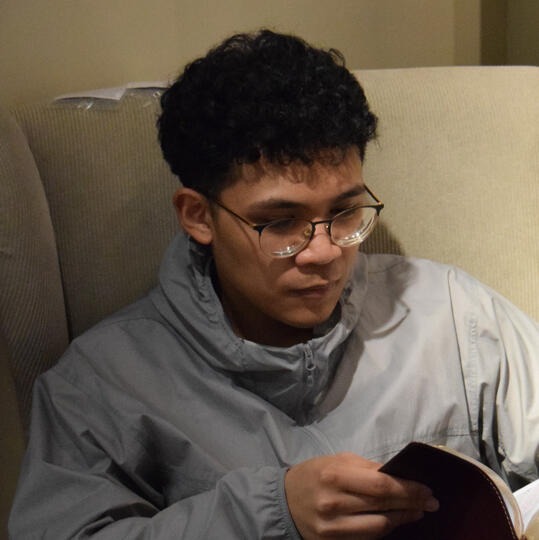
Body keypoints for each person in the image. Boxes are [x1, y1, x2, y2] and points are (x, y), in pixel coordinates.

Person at [9, 29, 538, 540]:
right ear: (198, 216)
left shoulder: (452, 314)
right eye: (281, 222)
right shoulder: (102, 381)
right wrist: (269, 514)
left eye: (346, 212)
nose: (325, 252)